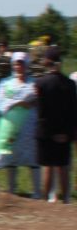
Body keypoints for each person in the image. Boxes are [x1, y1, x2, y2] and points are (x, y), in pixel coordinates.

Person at [0, 51, 40, 198]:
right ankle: (12, 189)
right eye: (16, 64)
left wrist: (29, 103)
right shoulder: (5, 83)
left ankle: (37, 191)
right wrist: (15, 104)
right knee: (11, 156)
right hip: (10, 124)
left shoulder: (33, 83)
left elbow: (38, 101)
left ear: (27, 65)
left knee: (32, 156)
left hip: (29, 124)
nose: (19, 67)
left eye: (22, 64)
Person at [35, 47, 76, 204]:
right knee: (63, 166)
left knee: (48, 166)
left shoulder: (41, 83)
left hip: (47, 132)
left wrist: (51, 133)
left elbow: (42, 112)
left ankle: (46, 199)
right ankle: (65, 199)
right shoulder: (70, 84)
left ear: (47, 62)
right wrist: (66, 133)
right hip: (64, 132)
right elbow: (73, 111)